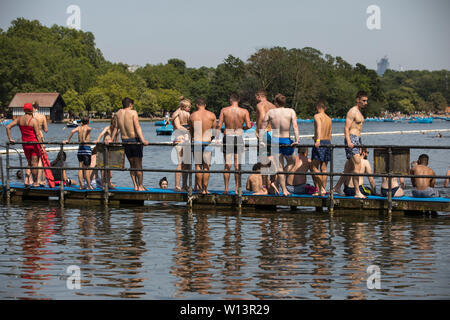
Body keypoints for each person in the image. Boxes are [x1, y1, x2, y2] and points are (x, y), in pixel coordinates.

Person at [261, 93, 299, 196]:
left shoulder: (270, 112)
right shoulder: (291, 111)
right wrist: (297, 140)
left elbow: (263, 127)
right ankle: (283, 189)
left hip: (275, 140)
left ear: (275, 102)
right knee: (292, 162)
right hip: (286, 140)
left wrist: (261, 140)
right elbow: (295, 127)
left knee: (280, 166)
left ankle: (278, 184)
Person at [334, 91, 368, 198]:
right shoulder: (352, 111)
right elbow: (346, 127)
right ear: (357, 100)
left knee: (349, 168)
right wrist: (348, 141)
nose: (365, 103)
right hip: (352, 139)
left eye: (366, 101)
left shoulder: (359, 112)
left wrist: (361, 145)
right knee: (357, 165)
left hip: (357, 139)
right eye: (363, 100)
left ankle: (337, 187)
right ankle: (357, 192)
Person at [111, 97, 149, 191]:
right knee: (138, 165)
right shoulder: (133, 112)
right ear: (130, 105)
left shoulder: (118, 113)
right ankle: (140, 186)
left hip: (124, 140)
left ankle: (135, 185)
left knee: (132, 165)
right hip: (134, 140)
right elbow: (137, 127)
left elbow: (116, 128)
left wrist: (111, 139)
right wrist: (143, 139)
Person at [218, 93, 252, 194]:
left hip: (228, 136)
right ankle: (237, 189)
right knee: (237, 166)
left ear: (230, 100)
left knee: (227, 165)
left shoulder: (224, 110)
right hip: (239, 136)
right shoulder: (244, 111)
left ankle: (226, 189)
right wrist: (243, 127)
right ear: (239, 100)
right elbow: (249, 125)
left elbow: (219, 125)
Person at [6, 103, 46, 187]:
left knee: (29, 162)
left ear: (24, 110)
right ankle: (35, 182)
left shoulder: (19, 119)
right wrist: (41, 146)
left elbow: (8, 127)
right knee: (34, 163)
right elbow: (38, 135)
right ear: (31, 110)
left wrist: (10, 138)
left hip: (24, 144)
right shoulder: (33, 120)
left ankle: (27, 181)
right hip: (34, 144)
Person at [188, 98, 218, 195]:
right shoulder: (212, 115)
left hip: (196, 142)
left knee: (197, 166)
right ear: (205, 105)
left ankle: (200, 189)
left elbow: (191, 130)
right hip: (207, 142)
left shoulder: (192, 116)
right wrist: (211, 138)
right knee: (206, 167)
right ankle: (205, 189)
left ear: (197, 105)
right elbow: (214, 131)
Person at [63, 116, 93, 189]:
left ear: (82, 122)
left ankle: (81, 185)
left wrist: (68, 140)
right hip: (86, 149)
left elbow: (72, 131)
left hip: (80, 150)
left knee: (80, 167)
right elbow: (86, 130)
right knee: (87, 169)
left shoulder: (79, 128)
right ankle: (89, 185)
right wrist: (83, 139)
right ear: (88, 122)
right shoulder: (89, 128)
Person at [311, 99, 332, 196]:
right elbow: (330, 133)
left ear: (317, 107)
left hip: (320, 142)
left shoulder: (317, 116)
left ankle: (321, 189)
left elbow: (319, 127)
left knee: (314, 167)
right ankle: (322, 190)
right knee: (324, 168)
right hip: (328, 142)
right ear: (325, 108)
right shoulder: (329, 118)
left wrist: (318, 140)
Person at [91, 116, 118, 189]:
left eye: (115, 124)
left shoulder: (117, 130)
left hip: (111, 149)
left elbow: (117, 139)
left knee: (109, 167)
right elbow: (101, 134)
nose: (114, 126)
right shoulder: (107, 128)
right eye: (113, 124)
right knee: (103, 167)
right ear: (111, 123)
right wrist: (98, 140)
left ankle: (109, 183)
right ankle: (103, 184)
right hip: (104, 149)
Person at [172, 98, 191, 191]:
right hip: (180, 139)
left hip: (187, 139)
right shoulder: (176, 114)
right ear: (184, 106)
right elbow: (177, 126)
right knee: (180, 162)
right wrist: (189, 131)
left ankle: (184, 184)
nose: (189, 108)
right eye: (188, 107)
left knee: (187, 163)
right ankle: (177, 185)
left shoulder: (186, 113)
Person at [32, 102, 48, 186]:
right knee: (41, 159)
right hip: (40, 137)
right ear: (38, 107)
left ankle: (31, 180)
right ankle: (41, 180)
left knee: (32, 159)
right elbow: (46, 130)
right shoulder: (42, 116)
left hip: (32, 137)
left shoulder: (31, 116)